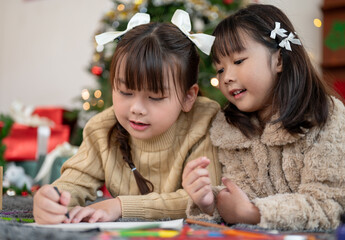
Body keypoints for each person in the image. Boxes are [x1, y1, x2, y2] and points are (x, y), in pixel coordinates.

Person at [33, 10, 221, 224]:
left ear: (188, 97)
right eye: (125, 92)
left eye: (155, 97)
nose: (137, 108)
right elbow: (73, 183)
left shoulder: (203, 122)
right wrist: (53, 199)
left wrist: (120, 206)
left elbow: (205, 198)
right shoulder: (102, 129)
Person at [182, 4, 345, 230]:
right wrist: (210, 203)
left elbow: (331, 206)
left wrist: (254, 213)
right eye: (220, 69)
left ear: (279, 60)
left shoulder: (325, 115)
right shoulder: (231, 130)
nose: (226, 77)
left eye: (238, 61)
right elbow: (243, 194)